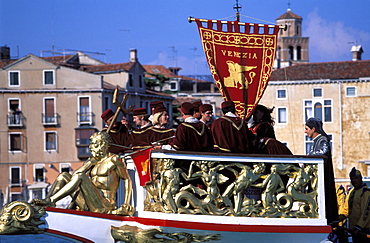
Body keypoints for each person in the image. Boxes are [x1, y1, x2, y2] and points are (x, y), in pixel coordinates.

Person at [33, 132, 134, 215]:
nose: (90, 147)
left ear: (103, 145)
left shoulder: (114, 160)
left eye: (94, 144)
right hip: (87, 202)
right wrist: (89, 163)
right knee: (64, 175)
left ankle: (51, 200)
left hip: (104, 204)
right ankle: (47, 203)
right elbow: (74, 177)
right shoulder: (93, 161)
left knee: (81, 176)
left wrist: (126, 203)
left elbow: (126, 179)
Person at [305, 117, 338, 224]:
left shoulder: (322, 140)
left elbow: (323, 152)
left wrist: (309, 156)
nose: (305, 131)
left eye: (307, 129)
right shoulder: (316, 141)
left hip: (323, 178)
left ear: (313, 129)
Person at [338, 168, 370, 243]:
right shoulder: (352, 192)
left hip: (364, 230)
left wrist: (359, 226)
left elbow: (366, 213)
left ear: (361, 178)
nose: (354, 180)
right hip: (354, 230)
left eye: (356, 178)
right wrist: (338, 219)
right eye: (352, 178)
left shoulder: (365, 192)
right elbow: (347, 210)